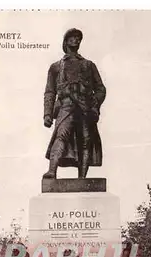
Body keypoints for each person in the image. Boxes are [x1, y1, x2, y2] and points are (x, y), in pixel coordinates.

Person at [43, 28, 106, 180]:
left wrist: (94, 104)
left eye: (78, 38)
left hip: (84, 107)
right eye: (72, 37)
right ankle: (52, 171)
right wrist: (47, 114)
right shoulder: (56, 67)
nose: (76, 40)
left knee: (85, 141)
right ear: (65, 42)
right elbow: (50, 92)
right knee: (61, 136)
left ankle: (82, 178)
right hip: (66, 105)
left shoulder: (89, 65)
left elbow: (101, 89)